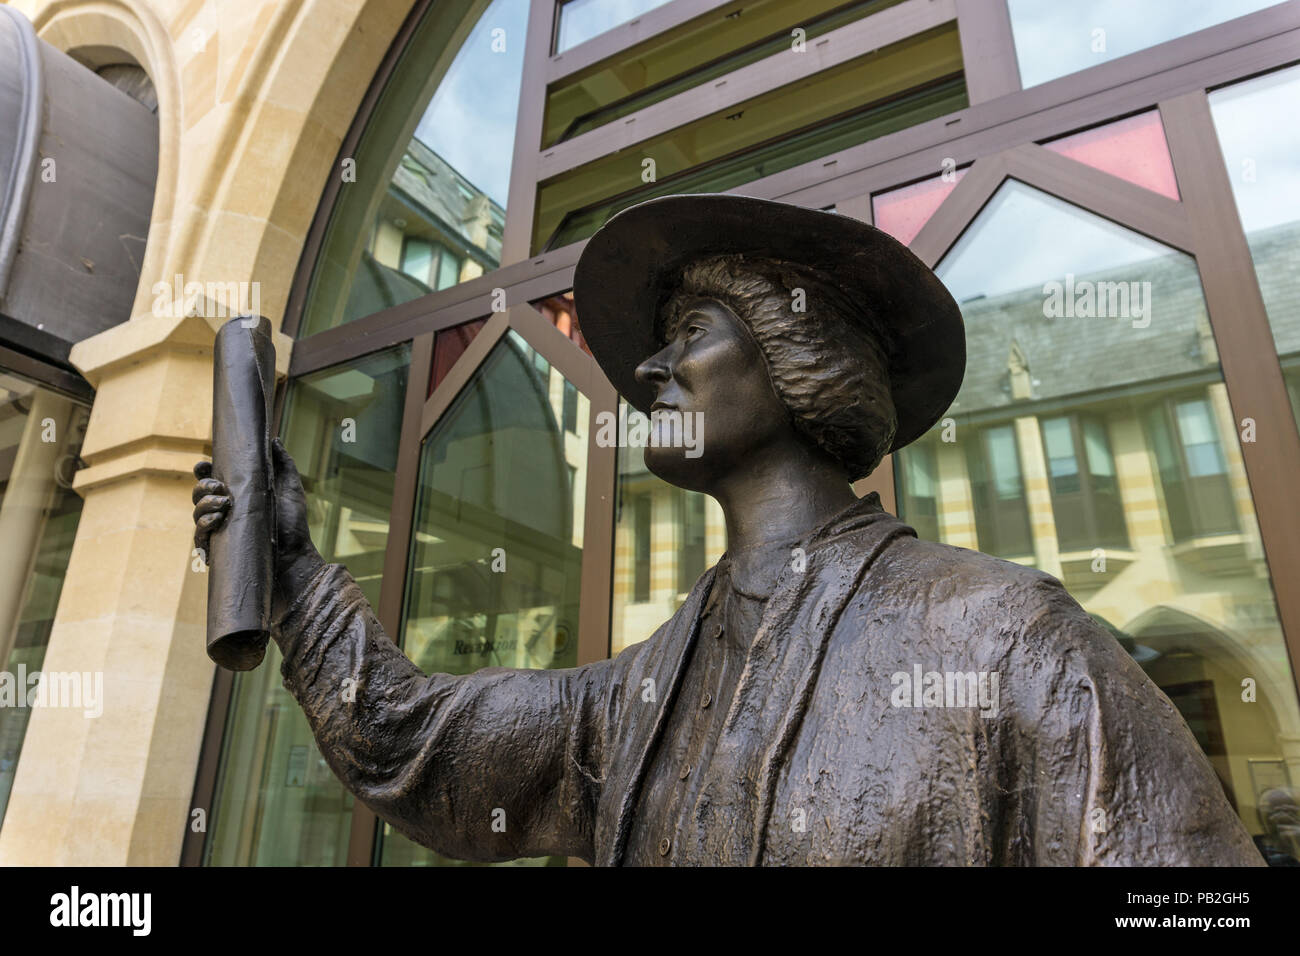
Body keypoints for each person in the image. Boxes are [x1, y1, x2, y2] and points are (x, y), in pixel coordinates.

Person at [193, 194, 1263, 865]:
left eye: (690, 334)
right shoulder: (633, 698)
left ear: (801, 364)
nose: (650, 370)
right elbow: (415, 741)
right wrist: (288, 568)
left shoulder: (1005, 637)